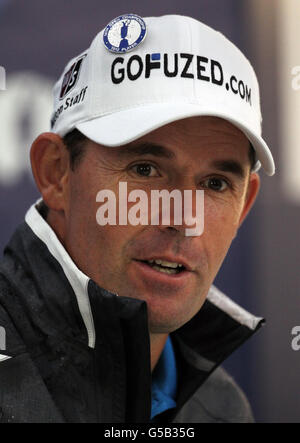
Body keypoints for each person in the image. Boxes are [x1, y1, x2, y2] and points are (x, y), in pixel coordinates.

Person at [0, 14, 275, 423]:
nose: (184, 219)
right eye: (145, 170)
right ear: (56, 173)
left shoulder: (223, 408)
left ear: (244, 205)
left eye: (216, 184)